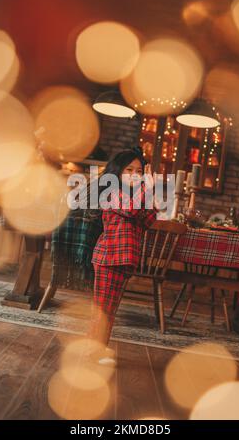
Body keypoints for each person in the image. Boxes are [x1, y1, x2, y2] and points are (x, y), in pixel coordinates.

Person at [86, 146, 158, 366]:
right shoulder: (112, 192)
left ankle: (98, 346)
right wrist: (148, 187)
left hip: (123, 257)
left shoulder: (133, 195)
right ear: (118, 173)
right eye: (129, 170)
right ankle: (94, 351)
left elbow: (147, 220)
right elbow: (132, 211)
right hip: (109, 257)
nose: (135, 175)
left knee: (109, 308)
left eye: (139, 171)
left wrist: (149, 194)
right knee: (103, 308)